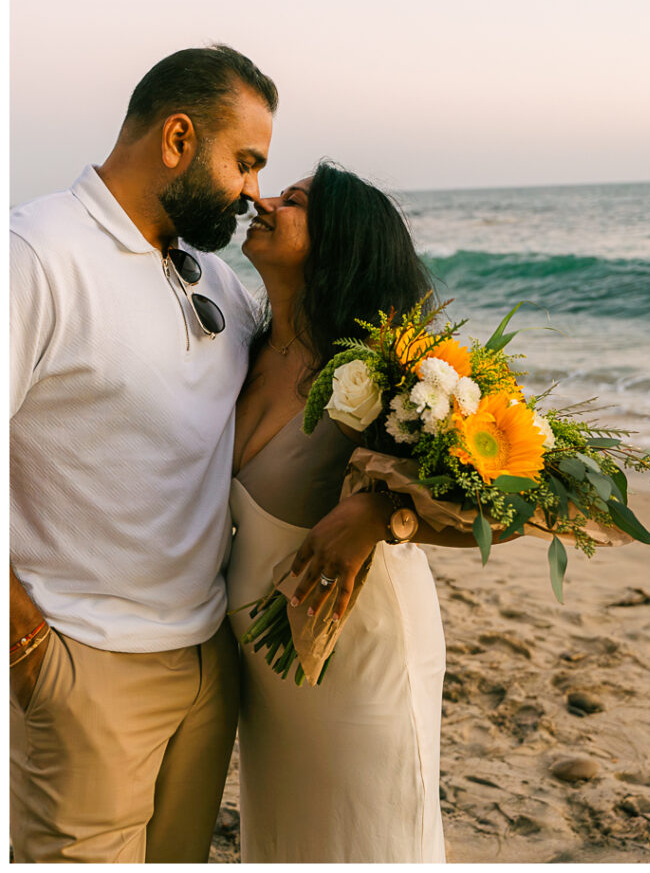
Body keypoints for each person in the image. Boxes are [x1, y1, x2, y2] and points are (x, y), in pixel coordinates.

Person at [9, 43, 277, 863]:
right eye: (245, 162)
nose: (253, 193)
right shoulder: (37, 252)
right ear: (178, 139)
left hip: (206, 660)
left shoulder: (212, 276)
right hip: (85, 666)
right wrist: (28, 647)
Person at [228, 162, 512, 863]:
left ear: (340, 240)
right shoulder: (241, 350)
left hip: (360, 654)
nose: (263, 203)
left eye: (292, 202)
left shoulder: (393, 365)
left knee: (371, 838)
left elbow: (501, 507)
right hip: (266, 669)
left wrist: (384, 514)